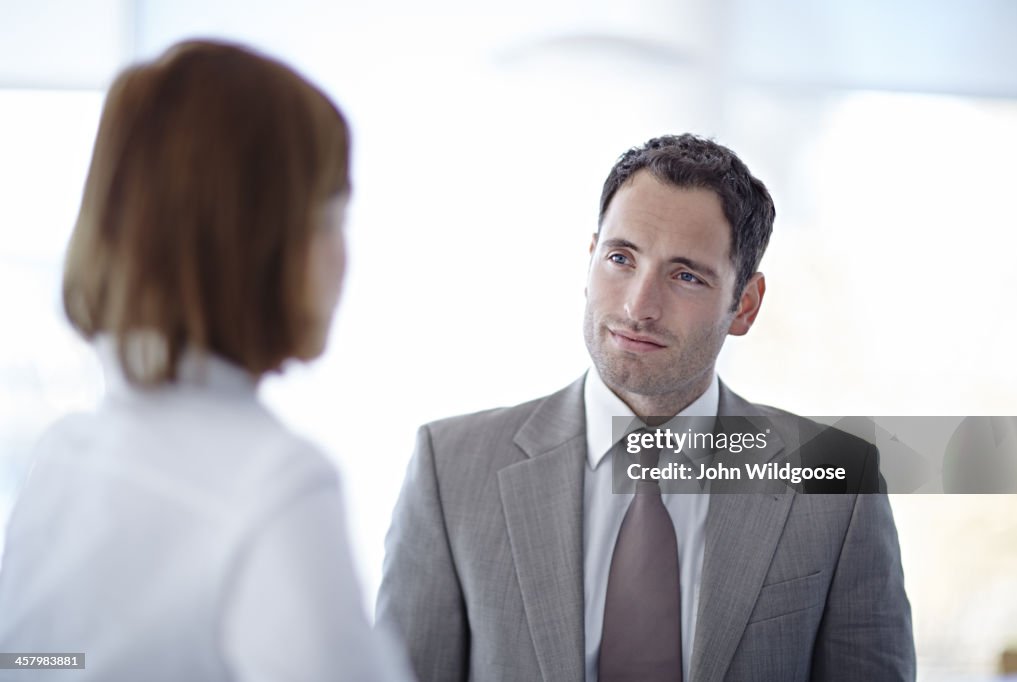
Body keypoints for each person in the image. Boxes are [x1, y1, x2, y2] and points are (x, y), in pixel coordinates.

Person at [376, 134, 915, 681]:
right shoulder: (450, 467)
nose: (639, 306)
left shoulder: (837, 484)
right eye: (620, 258)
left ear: (745, 305)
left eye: (686, 276)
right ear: (589, 262)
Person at [0, 40, 410, 681]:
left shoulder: (65, 453)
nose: (343, 255)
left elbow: (27, 662)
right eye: (331, 214)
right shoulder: (275, 487)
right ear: (255, 240)